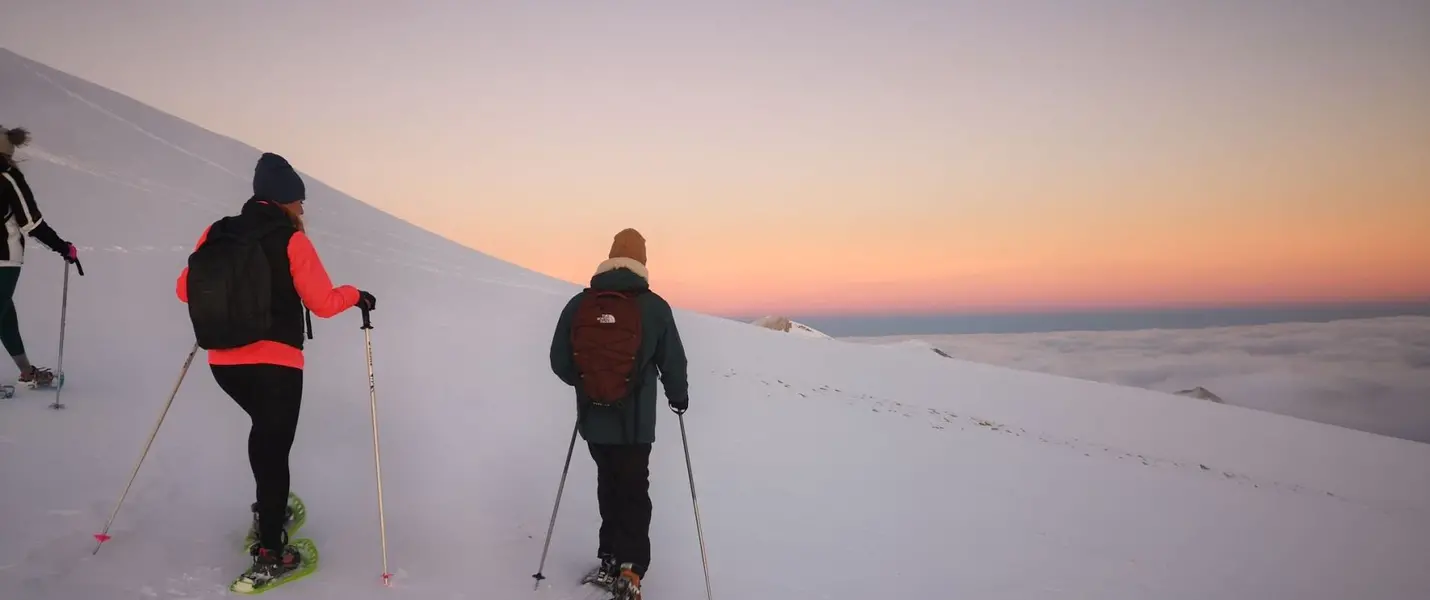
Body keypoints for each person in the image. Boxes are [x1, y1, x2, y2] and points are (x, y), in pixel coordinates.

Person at [176, 152, 375, 591]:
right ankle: (271, 552)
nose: (303, 209)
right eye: (299, 201)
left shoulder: (217, 231)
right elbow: (322, 304)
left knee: (263, 437)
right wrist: (356, 294)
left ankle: (270, 511)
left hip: (224, 364)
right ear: (284, 200)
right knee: (272, 449)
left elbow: (182, 288)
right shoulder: (291, 240)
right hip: (276, 365)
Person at [549, 228, 689, 600]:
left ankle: (609, 558)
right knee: (633, 489)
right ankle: (631, 568)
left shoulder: (580, 305)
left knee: (608, 483)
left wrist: (589, 384)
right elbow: (673, 361)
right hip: (636, 423)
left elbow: (559, 361)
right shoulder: (654, 306)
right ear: (642, 261)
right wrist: (679, 397)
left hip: (593, 420)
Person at [0, 126, 80, 389]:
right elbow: (31, 224)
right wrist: (62, 247)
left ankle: (26, 372)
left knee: (5, 316)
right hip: (4, 259)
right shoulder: (8, 177)